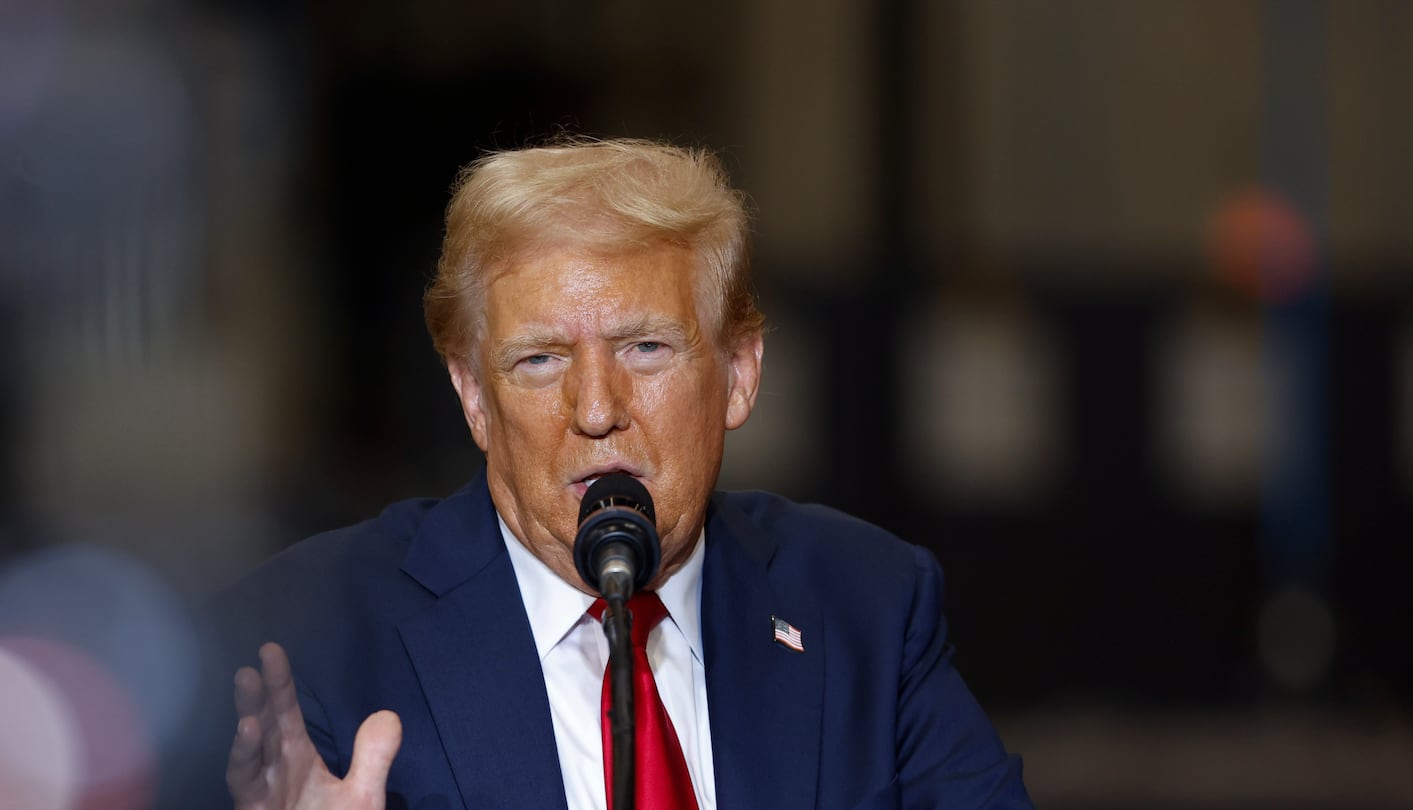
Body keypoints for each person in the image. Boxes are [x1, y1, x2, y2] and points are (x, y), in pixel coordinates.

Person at [218, 138, 1034, 809]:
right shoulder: (308, 637)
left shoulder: (867, 604)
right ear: (472, 394)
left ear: (741, 371)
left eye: (646, 349)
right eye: (539, 360)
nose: (597, 408)